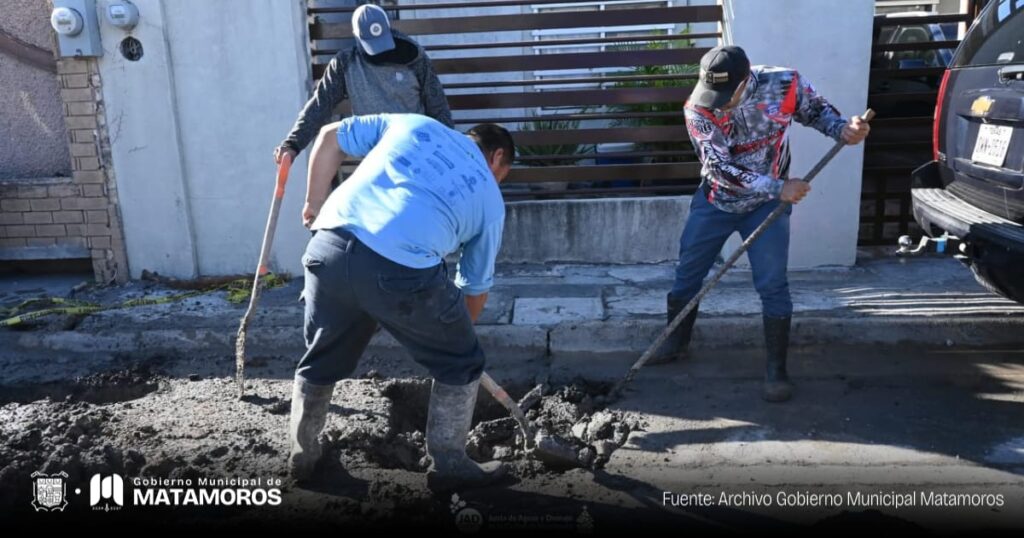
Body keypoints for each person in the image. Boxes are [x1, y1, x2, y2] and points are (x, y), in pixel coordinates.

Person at [286, 113, 515, 492]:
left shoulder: (413, 124)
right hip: (400, 268)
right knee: (462, 361)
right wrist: (456, 343)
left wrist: (313, 202)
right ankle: (450, 465)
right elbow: (473, 288)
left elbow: (329, 135)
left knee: (321, 356)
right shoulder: (490, 200)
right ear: (497, 158)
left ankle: (303, 456)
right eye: (503, 173)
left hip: (326, 248)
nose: (499, 182)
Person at [647, 46, 870, 404]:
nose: (717, 103)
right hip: (717, 202)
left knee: (772, 284)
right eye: (712, 95)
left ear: (745, 79)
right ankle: (676, 341)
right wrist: (779, 186)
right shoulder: (698, 108)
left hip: (767, 207)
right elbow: (719, 167)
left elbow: (817, 113)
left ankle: (776, 369)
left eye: (725, 95)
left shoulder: (784, 84)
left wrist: (844, 129)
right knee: (688, 273)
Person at [274, 4, 452, 165]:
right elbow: (320, 105)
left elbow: (437, 104)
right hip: (375, 153)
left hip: (416, 147)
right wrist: (293, 143)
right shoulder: (345, 63)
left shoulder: (413, 57)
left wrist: (450, 149)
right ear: (357, 37)